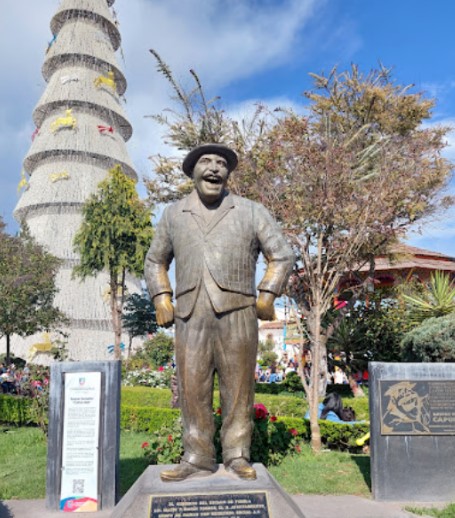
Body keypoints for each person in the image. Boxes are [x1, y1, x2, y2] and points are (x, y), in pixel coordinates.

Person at [145, 143, 294, 482]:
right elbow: (155, 260)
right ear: (191, 171)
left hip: (239, 311)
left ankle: (237, 454)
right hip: (189, 314)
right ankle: (197, 457)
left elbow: (282, 255)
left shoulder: (251, 211)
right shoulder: (172, 214)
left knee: (238, 388)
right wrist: (161, 297)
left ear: (229, 173)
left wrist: (268, 293)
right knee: (192, 387)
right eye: (205, 162)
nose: (214, 168)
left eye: (221, 163)